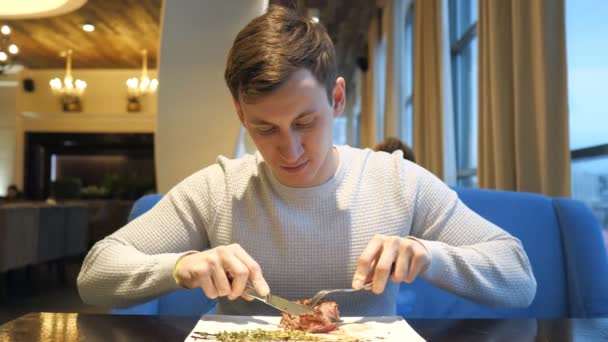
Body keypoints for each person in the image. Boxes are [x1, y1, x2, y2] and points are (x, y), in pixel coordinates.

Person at [77, 6, 536, 316]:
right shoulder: (219, 188)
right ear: (240, 113)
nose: (290, 151)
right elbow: (95, 274)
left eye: (305, 122)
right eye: (264, 129)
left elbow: (518, 277)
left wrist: (428, 255)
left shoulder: (396, 180)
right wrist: (181, 267)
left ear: (337, 99)